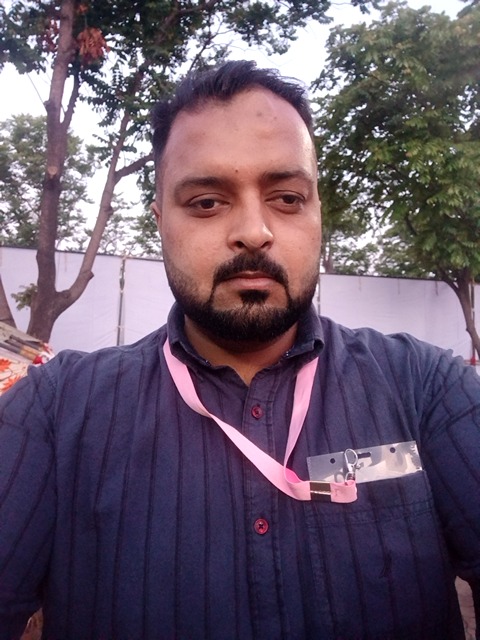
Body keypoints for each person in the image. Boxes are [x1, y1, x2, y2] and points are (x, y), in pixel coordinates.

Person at [0, 60, 479, 640]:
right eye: (207, 202)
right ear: (161, 221)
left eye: (287, 197)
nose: (254, 231)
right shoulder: (52, 413)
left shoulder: (428, 391)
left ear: (317, 213)